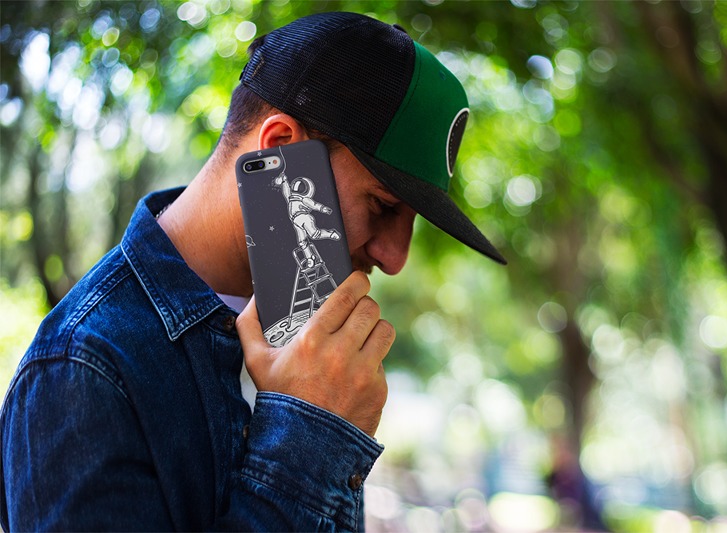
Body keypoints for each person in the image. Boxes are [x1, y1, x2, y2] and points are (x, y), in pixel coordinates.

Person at [0, 11, 506, 531]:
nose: (395, 258)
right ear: (281, 148)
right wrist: (309, 431)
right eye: (382, 205)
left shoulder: (308, 339)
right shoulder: (82, 368)